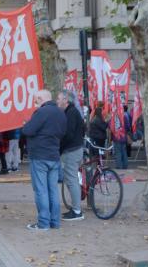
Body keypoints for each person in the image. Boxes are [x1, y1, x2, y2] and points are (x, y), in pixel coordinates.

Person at [22, 89, 67, 231]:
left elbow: (28, 130)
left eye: (36, 100)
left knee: (41, 190)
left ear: (41, 99)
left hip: (40, 155)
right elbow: (62, 133)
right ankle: (55, 222)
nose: (35, 103)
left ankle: (43, 223)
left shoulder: (41, 112)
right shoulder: (61, 113)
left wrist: (26, 124)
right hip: (54, 155)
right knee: (53, 190)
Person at [57, 90, 86, 221]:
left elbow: (68, 134)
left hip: (71, 151)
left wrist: (60, 147)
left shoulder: (71, 113)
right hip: (74, 149)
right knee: (71, 180)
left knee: (72, 180)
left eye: (59, 98)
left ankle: (77, 211)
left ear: (66, 100)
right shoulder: (72, 112)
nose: (57, 101)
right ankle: (75, 208)